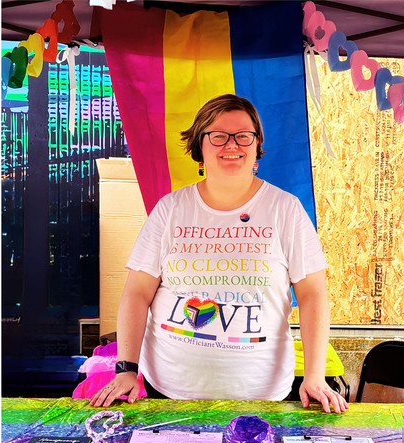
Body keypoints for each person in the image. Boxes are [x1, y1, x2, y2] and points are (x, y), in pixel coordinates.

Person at [91, 94, 346, 414]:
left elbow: (312, 296)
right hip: (170, 391)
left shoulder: (285, 210)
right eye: (218, 135)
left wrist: (315, 376)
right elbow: (137, 294)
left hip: (261, 394)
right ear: (200, 147)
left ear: (256, 148)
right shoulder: (170, 210)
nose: (232, 144)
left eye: (243, 136)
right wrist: (126, 368)